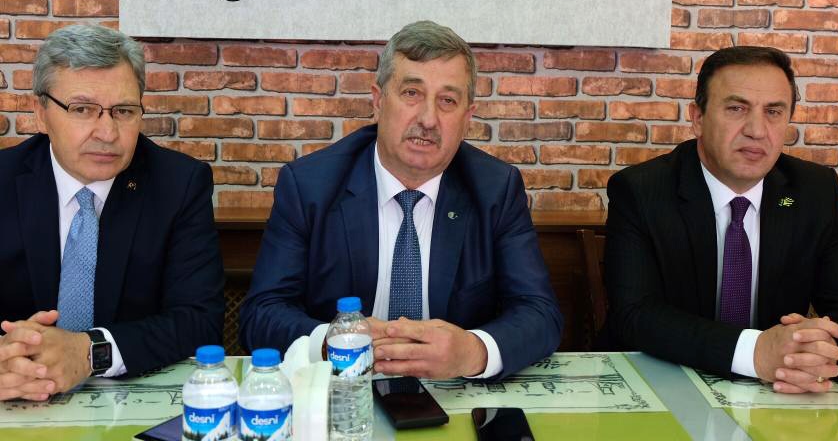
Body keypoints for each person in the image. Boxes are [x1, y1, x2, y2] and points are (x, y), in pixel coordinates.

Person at [240, 20, 562, 379]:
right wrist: (331, 343)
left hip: (451, 391)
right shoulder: (309, 186)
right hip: (343, 390)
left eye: (448, 101)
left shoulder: (495, 189)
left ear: (467, 118)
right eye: (411, 93)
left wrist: (473, 351)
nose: (428, 119)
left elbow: (540, 314)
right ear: (378, 102)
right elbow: (261, 314)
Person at [605, 45, 838, 394]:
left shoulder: (814, 191)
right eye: (736, 108)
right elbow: (635, 315)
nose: (757, 130)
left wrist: (823, 353)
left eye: (773, 111)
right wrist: (754, 353)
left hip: (780, 392)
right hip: (663, 385)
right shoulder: (641, 191)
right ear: (698, 118)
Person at [0, 25, 224, 401]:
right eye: (82, 109)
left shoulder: (179, 185)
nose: (107, 132)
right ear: (41, 114)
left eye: (123, 111)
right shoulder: (4, 180)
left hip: (132, 403)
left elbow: (200, 322)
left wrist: (91, 352)